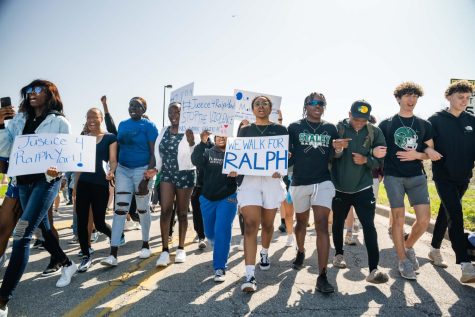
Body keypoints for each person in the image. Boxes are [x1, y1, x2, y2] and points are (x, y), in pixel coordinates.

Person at [0, 80, 77, 316]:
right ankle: (67, 264)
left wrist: (58, 168)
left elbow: (65, 157)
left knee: (21, 234)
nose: (32, 94)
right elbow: (5, 151)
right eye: (29, 91)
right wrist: (2, 125)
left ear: (50, 94)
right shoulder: (19, 120)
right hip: (22, 183)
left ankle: (3, 300)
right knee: (42, 230)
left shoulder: (59, 122)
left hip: (46, 183)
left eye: (38, 90)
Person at [379, 82, 441, 280]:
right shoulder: (387, 124)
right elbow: (379, 151)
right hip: (393, 177)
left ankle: (408, 246)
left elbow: (428, 152)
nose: (411, 99)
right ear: (398, 98)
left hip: (416, 176)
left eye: (415, 96)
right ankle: (403, 261)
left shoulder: (424, 125)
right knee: (398, 219)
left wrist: (418, 155)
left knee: (423, 220)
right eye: (407, 95)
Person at [331, 100, 389, 284]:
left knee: (369, 226)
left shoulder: (375, 132)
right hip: (339, 187)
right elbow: (326, 154)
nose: (359, 123)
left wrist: (367, 160)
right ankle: (339, 255)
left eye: (363, 120)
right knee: (338, 223)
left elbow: (381, 160)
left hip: (363, 187)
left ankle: (373, 269)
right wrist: (336, 148)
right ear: (349, 114)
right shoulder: (337, 129)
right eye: (356, 119)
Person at [287, 92, 339, 293]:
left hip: (323, 182)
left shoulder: (330, 128)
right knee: (301, 222)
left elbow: (335, 155)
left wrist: (340, 150)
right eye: (314, 103)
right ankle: (300, 250)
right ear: (306, 105)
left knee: (322, 226)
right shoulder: (294, 127)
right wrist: (279, 165)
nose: (318, 106)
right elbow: (288, 156)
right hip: (300, 181)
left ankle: (322, 276)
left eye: (322, 103)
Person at [236, 96, 288, 293]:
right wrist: (233, 168)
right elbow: (238, 155)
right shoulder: (245, 131)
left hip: (272, 181)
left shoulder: (281, 130)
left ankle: (264, 252)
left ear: (270, 108)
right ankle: (249, 274)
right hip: (250, 181)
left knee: (267, 224)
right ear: (252, 109)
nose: (260, 106)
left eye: (264, 103)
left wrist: (281, 168)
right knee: (250, 224)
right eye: (257, 104)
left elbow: (287, 155)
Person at [427, 80, 475, 283]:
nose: (464, 101)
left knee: (446, 212)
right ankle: (465, 264)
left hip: (464, 176)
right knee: (455, 213)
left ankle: (434, 249)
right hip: (443, 175)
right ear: (449, 97)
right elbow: (425, 144)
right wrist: (429, 150)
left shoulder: (472, 121)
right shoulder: (435, 120)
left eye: (467, 98)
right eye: (460, 97)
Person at [101, 97, 158, 267]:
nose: (133, 108)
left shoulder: (149, 126)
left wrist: (147, 176)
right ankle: (113, 253)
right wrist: (113, 169)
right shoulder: (123, 124)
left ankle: (146, 244)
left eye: (137, 106)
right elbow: (117, 144)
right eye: (131, 105)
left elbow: (154, 152)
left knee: (142, 208)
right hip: (124, 170)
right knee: (120, 210)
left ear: (143, 109)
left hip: (142, 170)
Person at [191, 131, 238, 282]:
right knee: (210, 233)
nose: (221, 137)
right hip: (207, 197)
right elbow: (195, 161)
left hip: (228, 197)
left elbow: (247, 171)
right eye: (218, 134)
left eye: (225, 134)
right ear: (215, 137)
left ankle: (220, 267)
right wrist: (202, 142)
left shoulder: (236, 152)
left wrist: (238, 174)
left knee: (222, 231)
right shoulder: (207, 151)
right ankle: (215, 243)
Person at [155, 102, 197, 267]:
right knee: (165, 210)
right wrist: (156, 169)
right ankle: (165, 251)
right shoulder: (164, 130)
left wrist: (192, 142)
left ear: (183, 113)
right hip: (166, 173)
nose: (174, 115)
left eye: (177, 112)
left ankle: (181, 248)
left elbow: (195, 155)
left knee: (182, 212)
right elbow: (158, 152)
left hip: (185, 173)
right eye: (170, 112)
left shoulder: (190, 130)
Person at [76, 108, 117, 272]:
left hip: (100, 185)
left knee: (99, 223)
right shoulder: (82, 139)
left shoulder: (110, 138)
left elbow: (113, 160)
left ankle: (115, 238)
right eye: (88, 117)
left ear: (101, 118)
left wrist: (112, 171)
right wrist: (75, 187)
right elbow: (78, 165)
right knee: (81, 221)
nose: (91, 120)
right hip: (83, 185)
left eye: (94, 116)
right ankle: (86, 256)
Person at [190, 133, 213, 249]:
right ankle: (201, 236)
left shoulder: (215, 146)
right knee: (196, 209)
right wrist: (202, 143)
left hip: (214, 186)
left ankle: (210, 234)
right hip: (200, 185)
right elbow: (195, 161)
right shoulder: (199, 146)